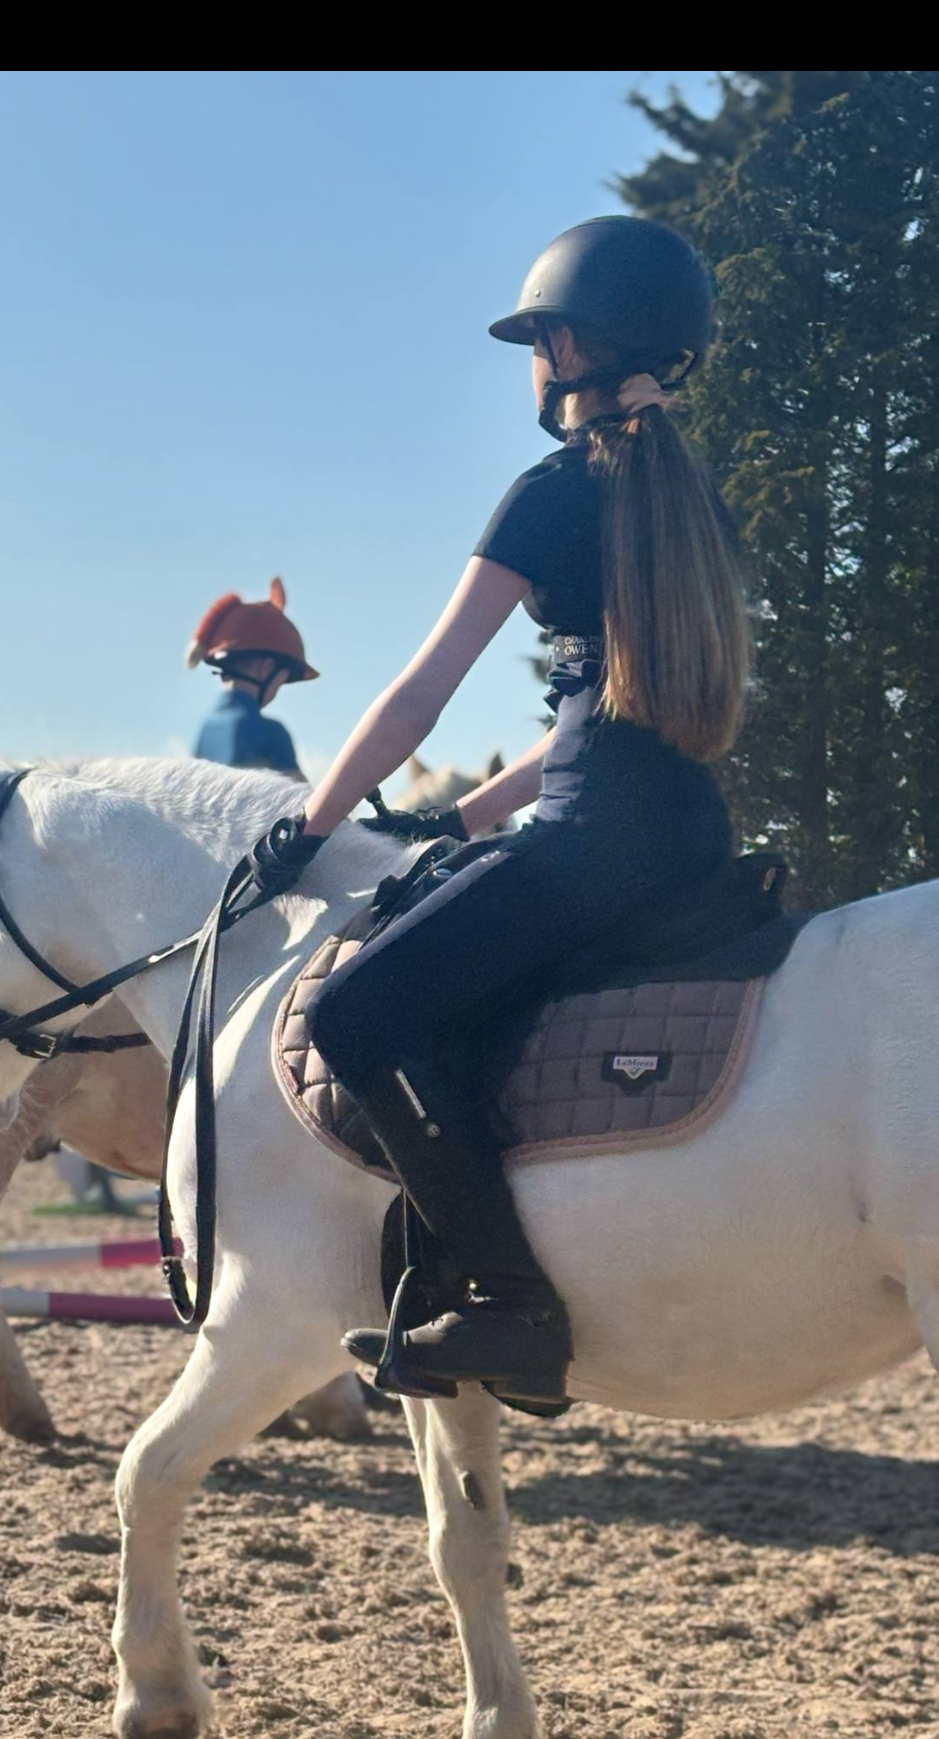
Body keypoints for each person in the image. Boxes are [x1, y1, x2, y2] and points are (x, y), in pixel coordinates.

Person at [243, 217, 749, 1407]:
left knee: (359, 1014)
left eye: (536, 337)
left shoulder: (555, 490)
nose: (532, 360)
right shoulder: (693, 503)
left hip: (590, 847)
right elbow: (606, 709)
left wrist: (307, 828)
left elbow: (420, 690)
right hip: (681, 839)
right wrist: (467, 818)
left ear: (572, 343)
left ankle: (507, 1301)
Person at [189, 578, 315, 776]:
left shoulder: (205, 731)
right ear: (265, 669)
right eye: (280, 683)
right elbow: (307, 805)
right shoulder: (272, 733)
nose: (276, 692)